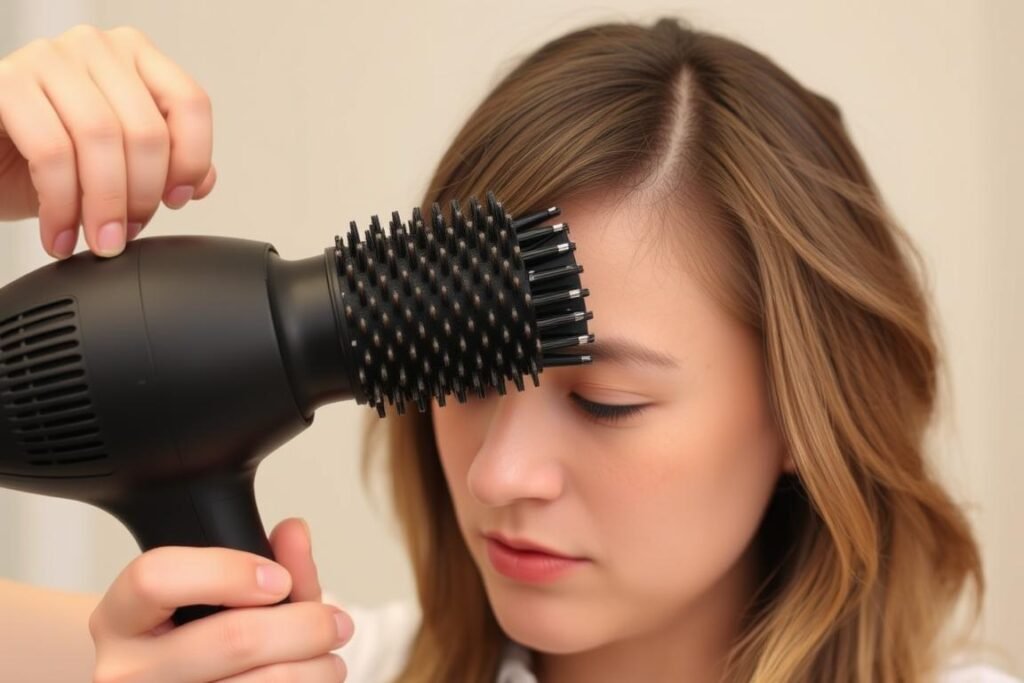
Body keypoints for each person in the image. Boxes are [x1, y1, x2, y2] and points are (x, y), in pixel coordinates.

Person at [0, 17, 1018, 683]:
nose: (496, 472)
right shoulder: (312, 662)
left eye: (606, 399)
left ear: (806, 411)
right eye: (462, 371)